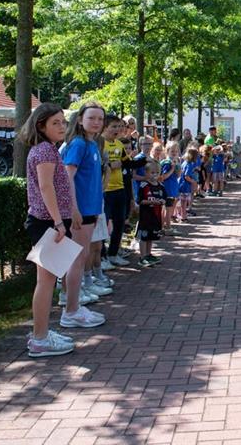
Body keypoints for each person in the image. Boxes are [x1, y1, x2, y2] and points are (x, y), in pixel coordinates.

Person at [21, 103, 79, 357]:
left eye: (63, 122)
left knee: (46, 280)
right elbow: (46, 188)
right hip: (47, 223)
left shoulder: (48, 149)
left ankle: (41, 332)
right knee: (45, 282)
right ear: (40, 125)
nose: (61, 127)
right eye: (55, 123)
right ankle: (40, 339)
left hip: (51, 221)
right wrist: (58, 222)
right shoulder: (44, 151)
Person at [59, 102, 108, 329]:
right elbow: (67, 177)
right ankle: (71, 311)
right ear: (80, 120)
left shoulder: (92, 144)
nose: (97, 122)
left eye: (100, 118)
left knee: (79, 257)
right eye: (92, 118)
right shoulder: (78, 144)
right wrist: (74, 208)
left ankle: (73, 306)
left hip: (90, 209)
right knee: (77, 259)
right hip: (81, 211)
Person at [101, 114, 130, 267]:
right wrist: (111, 165)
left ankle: (113, 254)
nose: (117, 129)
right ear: (105, 127)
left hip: (120, 188)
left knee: (119, 223)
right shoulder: (99, 144)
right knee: (103, 225)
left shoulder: (119, 144)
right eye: (114, 126)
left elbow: (127, 163)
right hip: (105, 190)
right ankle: (101, 257)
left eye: (119, 126)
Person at [136, 166, 165, 268]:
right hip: (145, 216)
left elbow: (165, 198)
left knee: (151, 236)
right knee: (143, 236)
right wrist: (152, 202)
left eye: (157, 172)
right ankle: (142, 257)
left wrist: (162, 201)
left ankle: (148, 254)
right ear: (146, 173)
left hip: (156, 216)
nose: (155, 175)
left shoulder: (160, 186)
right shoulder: (144, 186)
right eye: (152, 172)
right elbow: (140, 201)